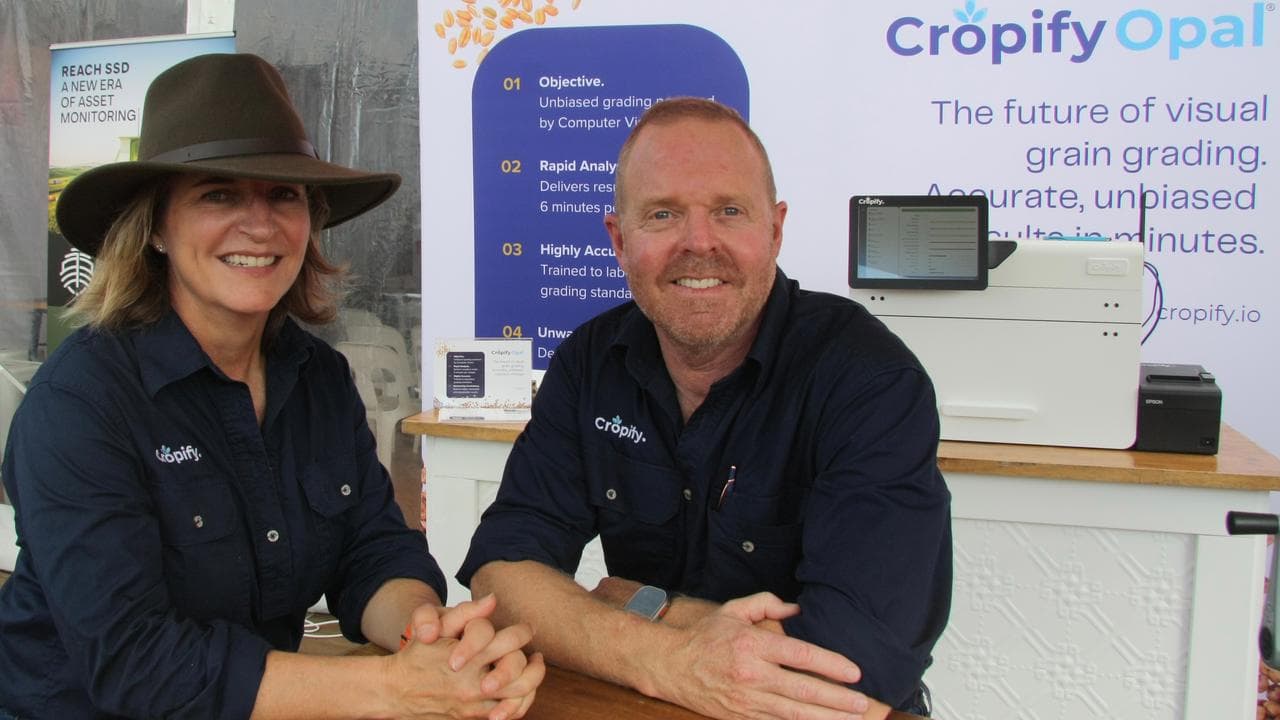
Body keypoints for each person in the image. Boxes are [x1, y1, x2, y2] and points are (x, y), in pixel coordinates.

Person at [0, 53, 543, 719]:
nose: (259, 226)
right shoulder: (81, 403)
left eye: (283, 194)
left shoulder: (318, 377)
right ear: (158, 230)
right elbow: (135, 662)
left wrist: (431, 639)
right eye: (218, 194)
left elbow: (367, 551)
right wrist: (394, 690)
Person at [459, 97, 951, 719]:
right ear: (619, 238)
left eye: (729, 211)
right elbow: (503, 575)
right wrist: (671, 660)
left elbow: (854, 661)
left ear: (774, 229)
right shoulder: (591, 361)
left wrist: (641, 604)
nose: (699, 243)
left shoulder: (871, 381)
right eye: (663, 214)